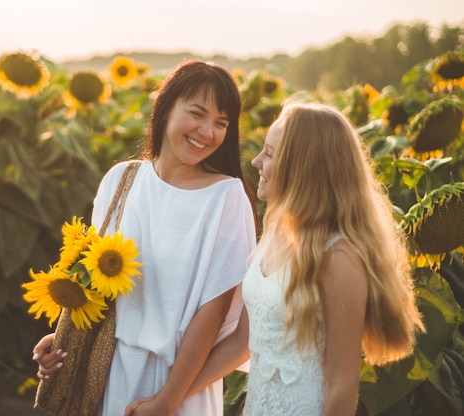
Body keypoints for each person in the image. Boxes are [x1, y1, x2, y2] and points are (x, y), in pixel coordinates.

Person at [125, 101, 425, 416]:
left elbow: (342, 387)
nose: (256, 161)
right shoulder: (275, 234)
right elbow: (242, 340)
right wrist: (166, 400)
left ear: (302, 167)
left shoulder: (338, 257)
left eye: (269, 154)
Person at [32, 60, 258, 416]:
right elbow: (97, 283)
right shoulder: (121, 181)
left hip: (181, 384)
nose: (207, 131)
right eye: (197, 114)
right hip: (109, 370)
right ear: (166, 108)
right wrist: (62, 341)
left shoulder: (225, 197)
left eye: (220, 123)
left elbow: (211, 313)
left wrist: (169, 398)